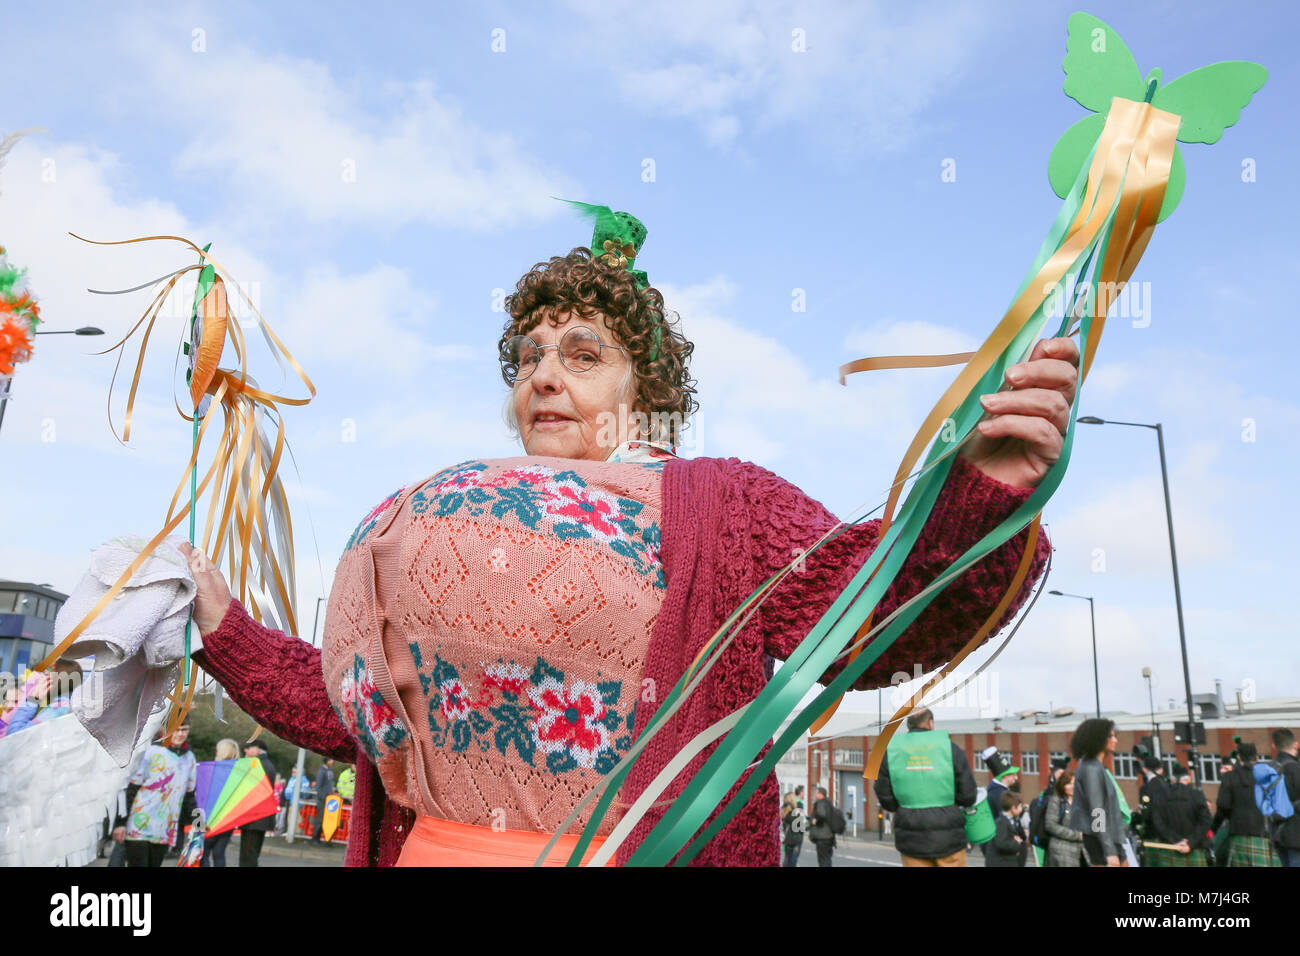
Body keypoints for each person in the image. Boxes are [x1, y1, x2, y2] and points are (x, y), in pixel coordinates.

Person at [180, 209, 1071, 866]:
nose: (543, 377)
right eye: (528, 357)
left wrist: (983, 491)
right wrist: (222, 629)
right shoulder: (427, 518)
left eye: (581, 353)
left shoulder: (724, 506)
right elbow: (358, 718)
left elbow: (878, 613)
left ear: (644, 388)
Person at [874, 707, 977, 866]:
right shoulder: (950, 749)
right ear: (930, 723)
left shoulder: (891, 752)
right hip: (949, 838)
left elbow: (884, 796)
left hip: (911, 839)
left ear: (909, 725)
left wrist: (906, 806)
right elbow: (968, 795)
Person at [112, 722, 198, 867]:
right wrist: (120, 823)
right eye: (176, 729)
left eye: (184, 730)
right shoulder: (150, 752)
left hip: (164, 829)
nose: (180, 734)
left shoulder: (189, 758)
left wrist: (198, 821)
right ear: (166, 730)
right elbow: (131, 788)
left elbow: (189, 796)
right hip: (138, 826)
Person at [1213, 741, 1280, 867]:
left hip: (1238, 835)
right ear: (1257, 757)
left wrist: (1216, 827)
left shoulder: (1229, 777)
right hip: (1265, 835)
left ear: (1239, 758)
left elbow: (1223, 806)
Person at [1069, 718, 1126, 867]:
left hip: (1108, 837)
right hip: (1100, 840)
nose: (1115, 740)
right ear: (1098, 739)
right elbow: (1097, 811)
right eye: (1111, 736)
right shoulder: (1091, 769)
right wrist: (1109, 851)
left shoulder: (1095, 766)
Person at [1145, 763, 1213, 867]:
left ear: (1172, 780)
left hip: (1169, 849)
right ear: (1188, 779)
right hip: (1194, 850)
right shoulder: (1197, 795)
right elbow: (1206, 821)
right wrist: (1190, 842)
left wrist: (1175, 840)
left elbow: (1157, 822)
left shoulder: (1159, 796)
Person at [238, 738, 278, 866]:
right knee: (253, 854)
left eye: (249, 748)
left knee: (248, 856)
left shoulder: (258, 764)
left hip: (253, 818)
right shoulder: (267, 764)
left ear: (257, 749)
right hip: (260, 818)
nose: (246, 751)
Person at [1270, 729, 1300, 866]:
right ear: (1296, 745)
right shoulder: (1296, 769)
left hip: (1276, 832)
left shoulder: (1269, 769)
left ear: (1274, 747)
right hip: (1296, 834)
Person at [1043, 770, 1084, 866]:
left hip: (1082, 852)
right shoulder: (1056, 801)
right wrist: (1077, 835)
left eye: (1074, 783)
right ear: (1062, 785)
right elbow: (1050, 826)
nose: (1072, 787)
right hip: (1061, 852)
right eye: (1068, 784)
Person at [986, 792, 1029, 867]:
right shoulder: (1001, 823)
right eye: (1020, 806)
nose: (1021, 809)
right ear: (1013, 808)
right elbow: (1001, 843)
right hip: (1001, 863)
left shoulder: (1012, 820)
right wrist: (1016, 842)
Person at [808, 786, 837, 867]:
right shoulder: (829, 803)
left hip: (822, 837)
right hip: (830, 836)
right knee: (827, 859)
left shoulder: (821, 803)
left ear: (821, 794)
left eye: (816, 793)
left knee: (822, 860)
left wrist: (816, 821)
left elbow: (822, 815)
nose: (815, 795)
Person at [312, 759, 336, 844]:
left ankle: (320, 838)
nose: (332, 761)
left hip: (328, 799)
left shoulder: (329, 771)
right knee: (319, 819)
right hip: (323, 799)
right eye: (331, 760)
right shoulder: (321, 771)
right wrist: (322, 797)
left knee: (324, 819)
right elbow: (318, 786)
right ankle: (315, 838)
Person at [780, 792, 805, 867]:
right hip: (796, 837)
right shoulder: (797, 808)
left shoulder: (784, 809)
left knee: (787, 859)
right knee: (793, 860)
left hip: (788, 837)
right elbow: (800, 824)